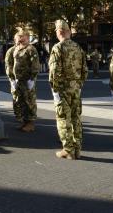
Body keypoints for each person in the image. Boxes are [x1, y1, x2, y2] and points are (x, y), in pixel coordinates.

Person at [49, 19, 88, 160]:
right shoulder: (78, 47)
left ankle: (68, 149)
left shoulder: (58, 48)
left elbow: (54, 72)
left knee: (63, 119)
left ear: (59, 32)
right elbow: (85, 69)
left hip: (63, 89)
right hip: (76, 88)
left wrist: (55, 90)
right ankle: (77, 149)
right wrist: (78, 84)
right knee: (76, 118)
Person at [5, 29, 40, 133]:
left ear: (27, 38)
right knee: (20, 101)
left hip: (27, 80)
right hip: (18, 81)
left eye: (22, 37)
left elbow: (35, 65)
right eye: (19, 37)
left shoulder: (31, 49)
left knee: (29, 101)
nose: (20, 39)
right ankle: (24, 122)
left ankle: (30, 123)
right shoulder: (15, 49)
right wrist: (12, 79)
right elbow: (9, 65)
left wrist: (32, 79)